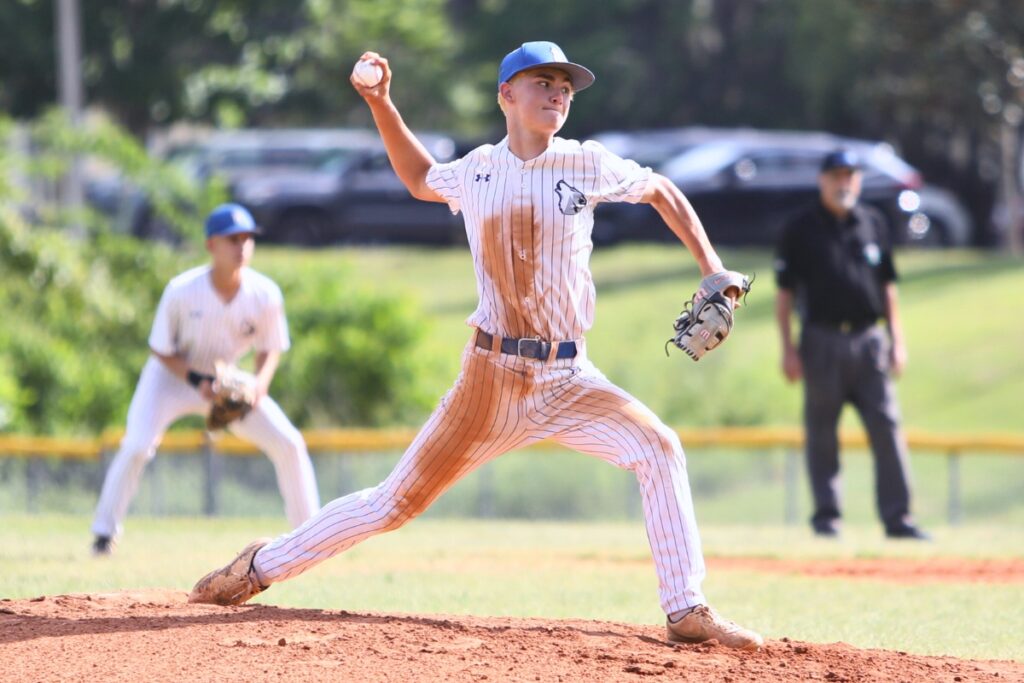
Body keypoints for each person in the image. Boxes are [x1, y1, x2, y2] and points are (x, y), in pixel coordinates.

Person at [188, 42, 763, 651]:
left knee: (659, 448)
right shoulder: (477, 171)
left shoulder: (586, 164)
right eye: (544, 82)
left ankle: (686, 608)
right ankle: (258, 566)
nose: (559, 93)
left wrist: (713, 269)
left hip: (570, 378)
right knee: (392, 505)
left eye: (566, 86)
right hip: (490, 380)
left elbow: (660, 190)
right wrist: (381, 101)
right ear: (506, 96)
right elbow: (416, 178)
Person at [90, 203, 320, 554]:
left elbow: (271, 347)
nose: (242, 246)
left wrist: (259, 384)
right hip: (170, 378)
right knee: (137, 446)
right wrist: (196, 380)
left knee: (289, 443)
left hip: (229, 381)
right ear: (211, 245)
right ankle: (104, 533)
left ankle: (312, 538)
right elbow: (161, 349)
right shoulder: (181, 290)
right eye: (232, 239)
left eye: (247, 238)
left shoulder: (264, 293)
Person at [774, 149, 929, 540]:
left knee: (887, 426)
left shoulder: (873, 222)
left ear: (858, 181)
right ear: (822, 180)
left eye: (850, 176)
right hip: (821, 339)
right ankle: (827, 517)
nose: (844, 183)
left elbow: (888, 288)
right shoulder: (800, 227)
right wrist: (788, 349)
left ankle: (899, 518)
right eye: (836, 176)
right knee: (823, 432)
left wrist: (898, 340)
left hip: (869, 339)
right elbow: (784, 295)